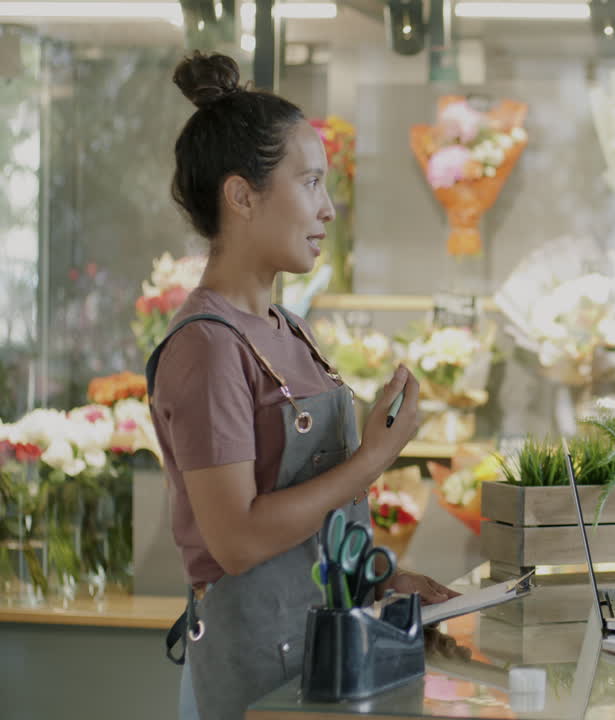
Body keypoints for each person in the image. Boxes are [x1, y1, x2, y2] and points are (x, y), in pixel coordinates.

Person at [147, 51, 460, 720]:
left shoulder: (290, 331)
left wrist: (382, 577)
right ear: (242, 195)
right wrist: (374, 458)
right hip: (251, 678)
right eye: (311, 183)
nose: (327, 209)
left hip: (318, 667)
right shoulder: (207, 348)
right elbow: (237, 541)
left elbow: (311, 530)